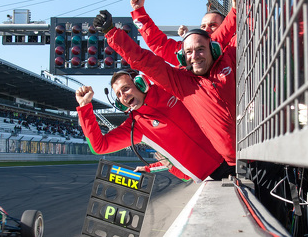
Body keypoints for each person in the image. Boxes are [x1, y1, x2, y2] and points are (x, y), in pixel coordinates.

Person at [94, 10, 237, 169]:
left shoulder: (230, 56)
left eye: (200, 49)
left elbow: (251, 27)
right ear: (183, 58)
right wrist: (112, 33)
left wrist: (239, 10)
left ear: (214, 48)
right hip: (227, 166)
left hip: (257, 147)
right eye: (188, 52)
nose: (195, 55)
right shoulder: (181, 84)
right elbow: (144, 59)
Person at [75, 70, 233, 182]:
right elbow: (99, 147)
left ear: (140, 83)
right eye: (118, 94)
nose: (123, 96)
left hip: (232, 152)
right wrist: (84, 108)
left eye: (125, 88)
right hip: (213, 176)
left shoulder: (166, 87)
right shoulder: (135, 126)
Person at [129, 0, 237, 66]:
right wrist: (139, 12)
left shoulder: (233, 46)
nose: (206, 29)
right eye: (203, 26)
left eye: (212, 25)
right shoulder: (187, 54)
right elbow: (159, 44)